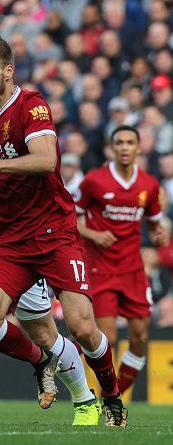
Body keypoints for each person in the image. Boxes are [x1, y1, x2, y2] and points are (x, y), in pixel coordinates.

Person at [0, 37, 127, 427]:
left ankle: (109, 396)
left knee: (82, 327)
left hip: (54, 234)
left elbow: (47, 160)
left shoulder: (31, 104)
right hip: (10, 240)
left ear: (8, 71)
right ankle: (41, 365)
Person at [75, 125, 169, 395]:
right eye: (119, 143)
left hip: (133, 270)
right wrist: (93, 233)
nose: (125, 147)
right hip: (101, 268)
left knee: (140, 338)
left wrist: (159, 236)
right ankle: (112, 400)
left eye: (130, 142)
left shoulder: (149, 185)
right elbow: (70, 218)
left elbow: (153, 225)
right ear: (112, 148)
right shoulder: (94, 181)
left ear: (139, 148)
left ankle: (110, 395)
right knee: (110, 339)